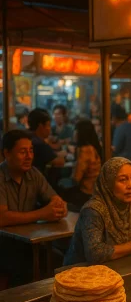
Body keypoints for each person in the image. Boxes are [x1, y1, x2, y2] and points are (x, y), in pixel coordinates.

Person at [64, 158, 131, 266]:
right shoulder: (93, 211)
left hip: (117, 267)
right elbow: (95, 254)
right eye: (122, 180)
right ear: (108, 183)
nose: (130, 185)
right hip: (80, 271)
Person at [0, 130, 67, 285]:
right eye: (23, 152)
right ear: (7, 154)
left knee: (59, 258)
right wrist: (42, 214)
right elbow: (2, 218)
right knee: (24, 268)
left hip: (28, 244)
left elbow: (54, 198)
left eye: (31, 151)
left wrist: (60, 206)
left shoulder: (33, 173)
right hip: (3, 245)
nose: (29, 156)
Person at [60, 119, 102, 210]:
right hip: (93, 190)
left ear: (80, 133)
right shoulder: (93, 147)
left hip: (86, 192)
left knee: (60, 185)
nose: (74, 132)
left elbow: (76, 177)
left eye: (76, 130)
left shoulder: (85, 150)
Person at [28, 108, 66, 174]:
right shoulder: (39, 143)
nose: (50, 129)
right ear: (41, 126)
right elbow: (59, 162)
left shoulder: (28, 137)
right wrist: (63, 155)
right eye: (48, 125)